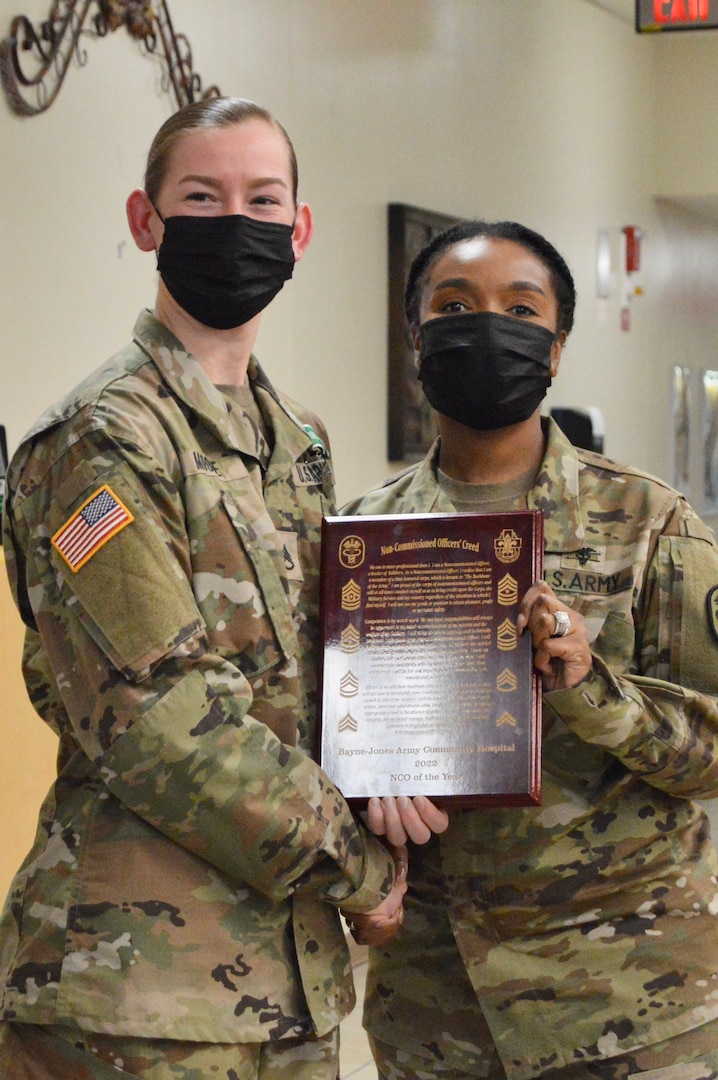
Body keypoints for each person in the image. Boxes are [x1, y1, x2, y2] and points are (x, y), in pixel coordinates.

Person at [0, 96, 406, 1080]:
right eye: (202, 196)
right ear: (147, 221)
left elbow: (322, 684)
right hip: (132, 998)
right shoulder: (105, 440)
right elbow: (155, 717)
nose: (237, 222)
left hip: (286, 988)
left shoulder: (295, 442)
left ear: (299, 230)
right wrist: (356, 864)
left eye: (263, 199)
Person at [343, 219, 718, 1080]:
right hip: (437, 1004)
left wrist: (594, 689)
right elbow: (332, 741)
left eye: (520, 308)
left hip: (631, 995)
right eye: (454, 305)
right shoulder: (368, 538)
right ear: (416, 341)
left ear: (555, 350)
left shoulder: (647, 522)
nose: (487, 327)